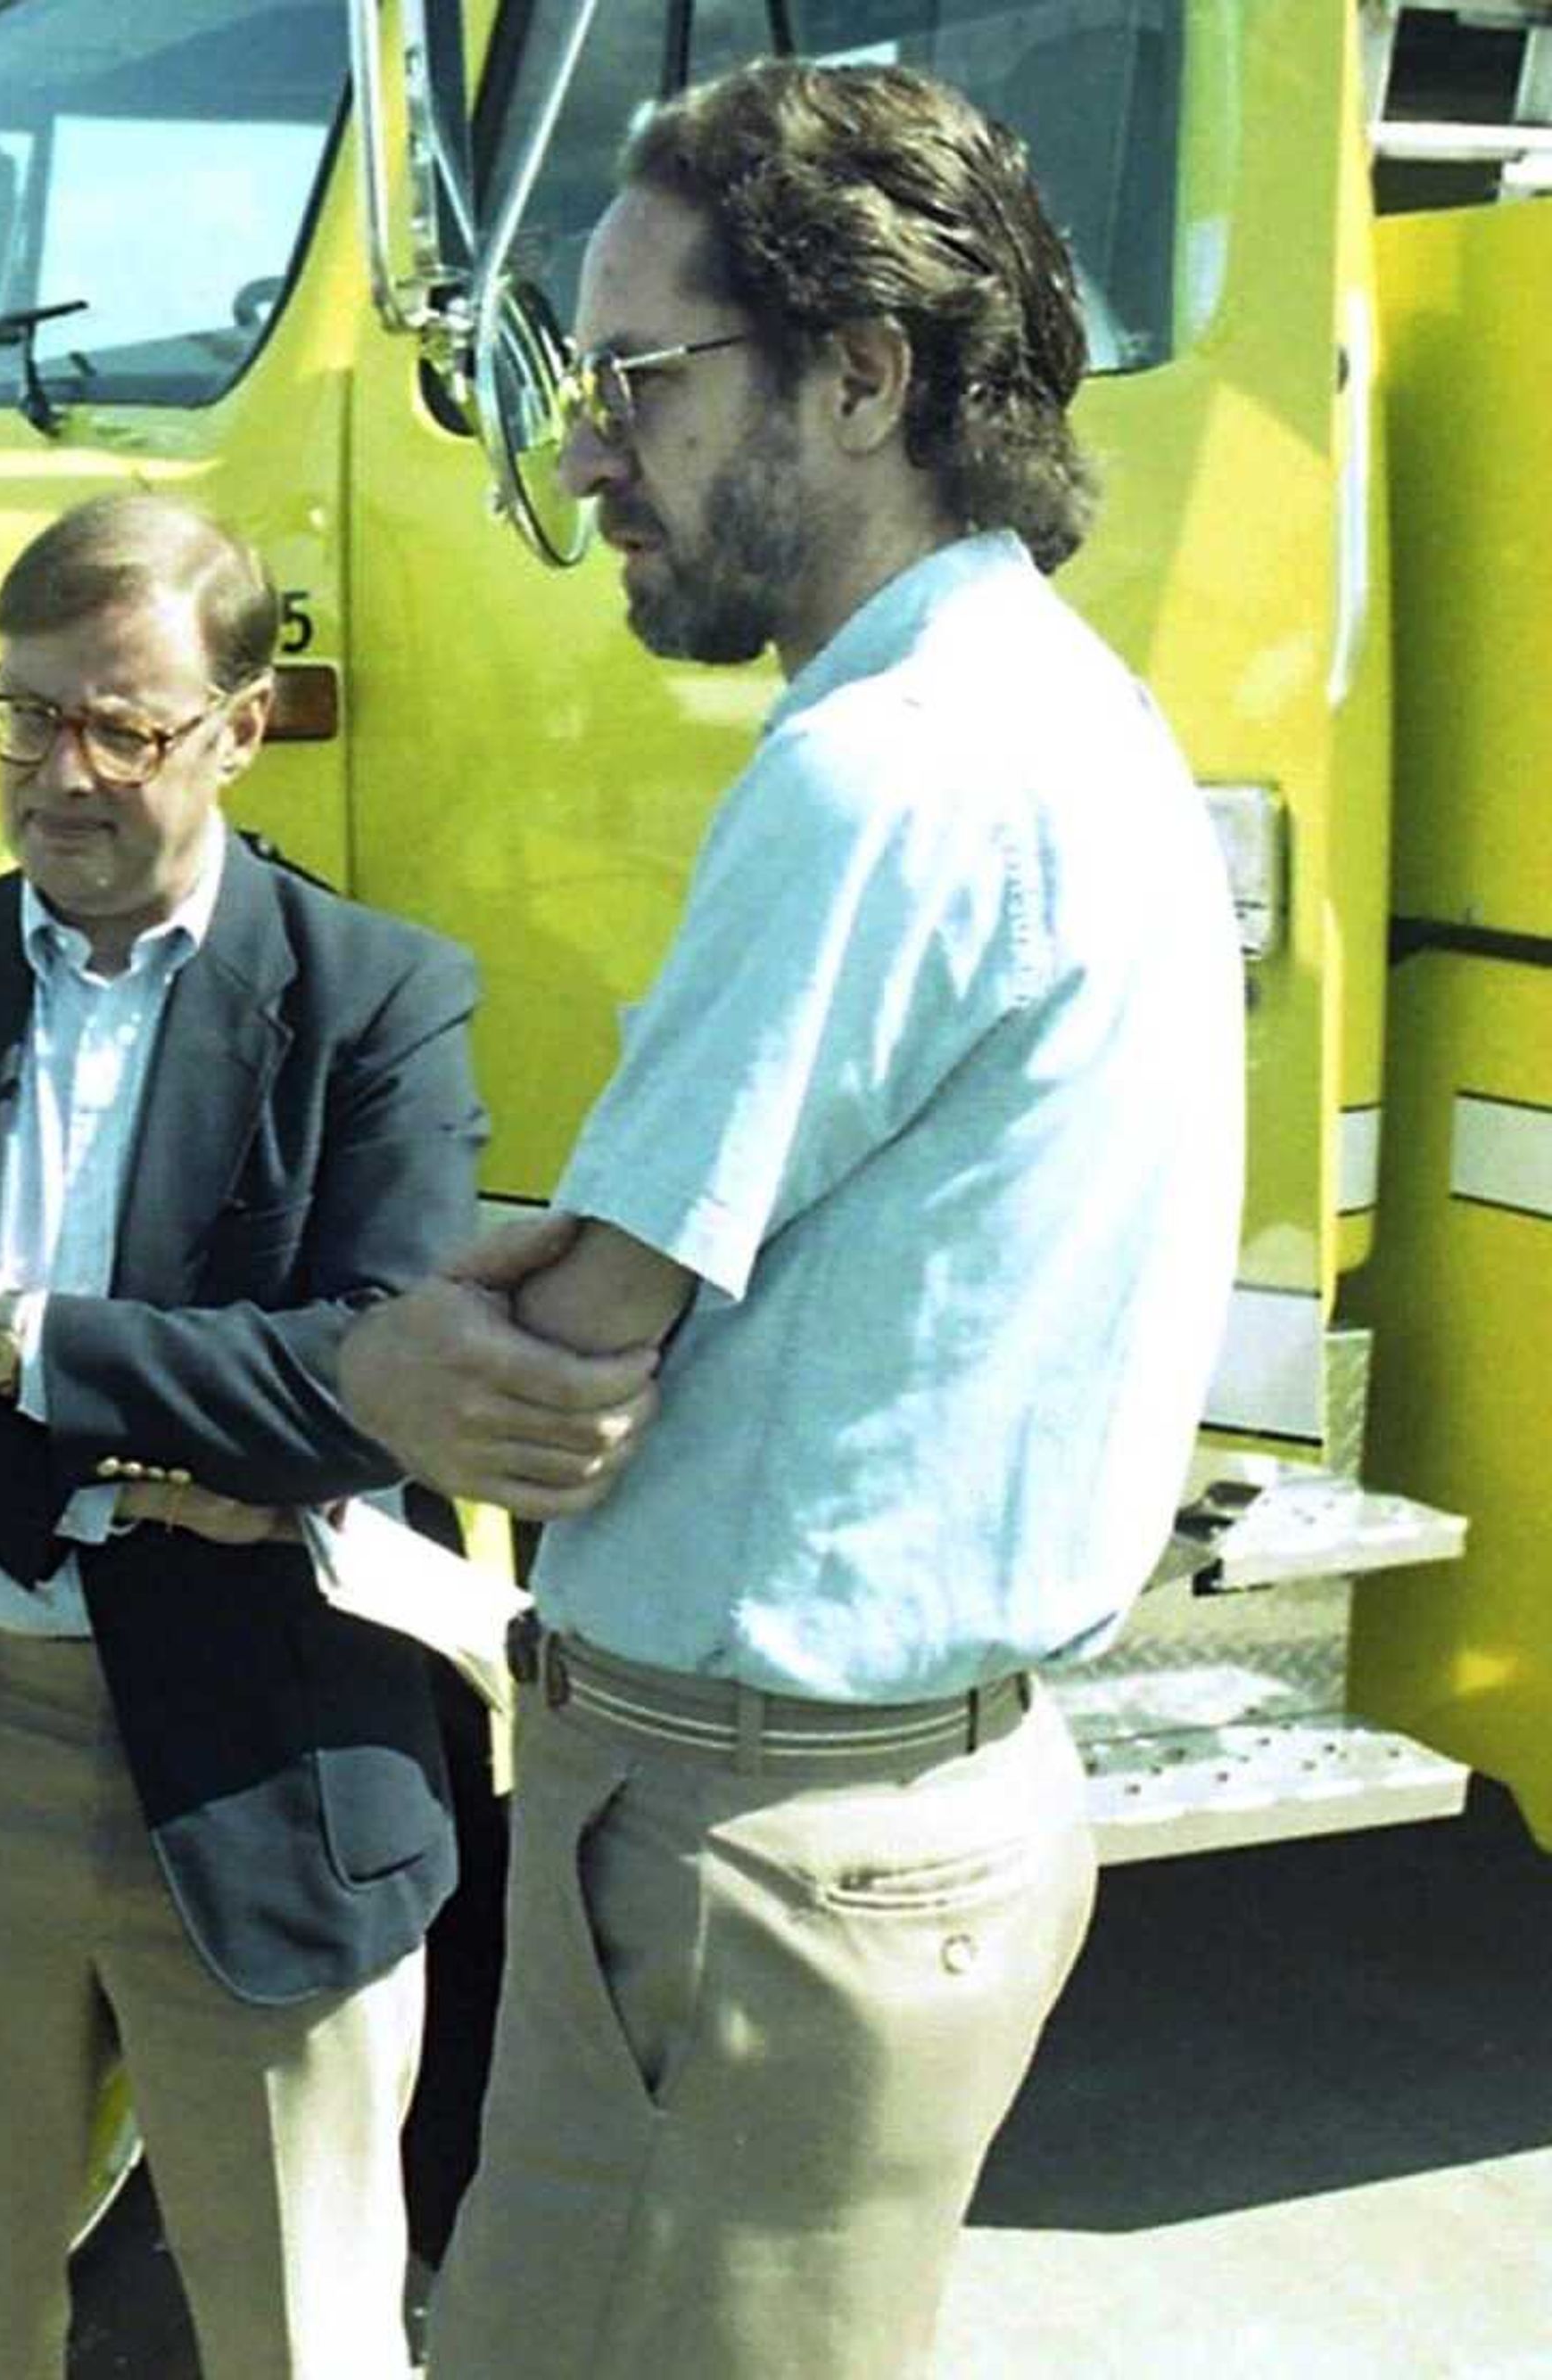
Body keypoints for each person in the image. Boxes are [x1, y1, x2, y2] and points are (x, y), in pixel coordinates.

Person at [340, 60, 1245, 2379]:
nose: (581, 449)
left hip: (758, 1847)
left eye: (634, 374)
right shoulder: (1057, 705)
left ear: (861, 374)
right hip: (893, 1812)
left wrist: (330, 1368)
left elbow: (556, 1375)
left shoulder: (881, 771)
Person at [0, 491, 656, 2378]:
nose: (61, 775)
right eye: (27, 714)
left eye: (124, 726)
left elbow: (357, 1386)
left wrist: (19, 1337)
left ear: (243, 726)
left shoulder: (378, 1002)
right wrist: (103, 1482)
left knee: (301, 2335)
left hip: (266, 1756)